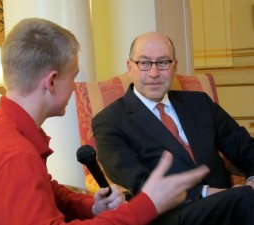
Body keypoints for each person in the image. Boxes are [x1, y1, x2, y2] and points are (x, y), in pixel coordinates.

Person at [0, 19, 209, 225]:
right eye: (73, 77)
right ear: (52, 81)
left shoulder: (1, 127)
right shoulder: (15, 154)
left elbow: (46, 190)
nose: (76, 87)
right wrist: (148, 204)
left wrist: (91, 206)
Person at [92, 31, 254, 225]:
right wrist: (204, 192)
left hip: (232, 205)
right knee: (244, 199)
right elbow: (138, 182)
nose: (154, 73)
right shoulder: (109, 120)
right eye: (144, 63)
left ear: (174, 66)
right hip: (171, 215)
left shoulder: (199, 103)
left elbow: (244, 147)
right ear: (130, 67)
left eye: (163, 62)